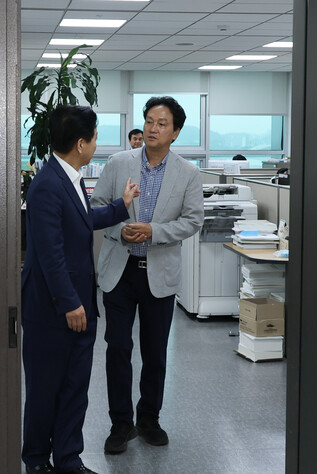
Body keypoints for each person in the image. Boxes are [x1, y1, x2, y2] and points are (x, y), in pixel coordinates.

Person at [21, 105, 140, 474]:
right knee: (45, 389)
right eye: (95, 137)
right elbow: (50, 254)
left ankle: (68, 458)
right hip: (54, 309)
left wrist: (121, 206)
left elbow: (82, 220)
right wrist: (70, 303)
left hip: (79, 306)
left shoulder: (68, 177)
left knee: (74, 387)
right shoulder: (47, 185)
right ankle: (37, 460)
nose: (96, 144)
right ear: (80, 143)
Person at [90, 96, 204, 454]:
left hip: (159, 273)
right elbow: (97, 207)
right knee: (117, 348)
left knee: (155, 353)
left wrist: (154, 231)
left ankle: (149, 419)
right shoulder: (118, 163)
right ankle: (121, 424)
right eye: (150, 121)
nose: (153, 128)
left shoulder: (188, 173)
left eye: (162, 123)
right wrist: (119, 230)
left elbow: (192, 221)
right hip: (120, 272)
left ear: (176, 132)